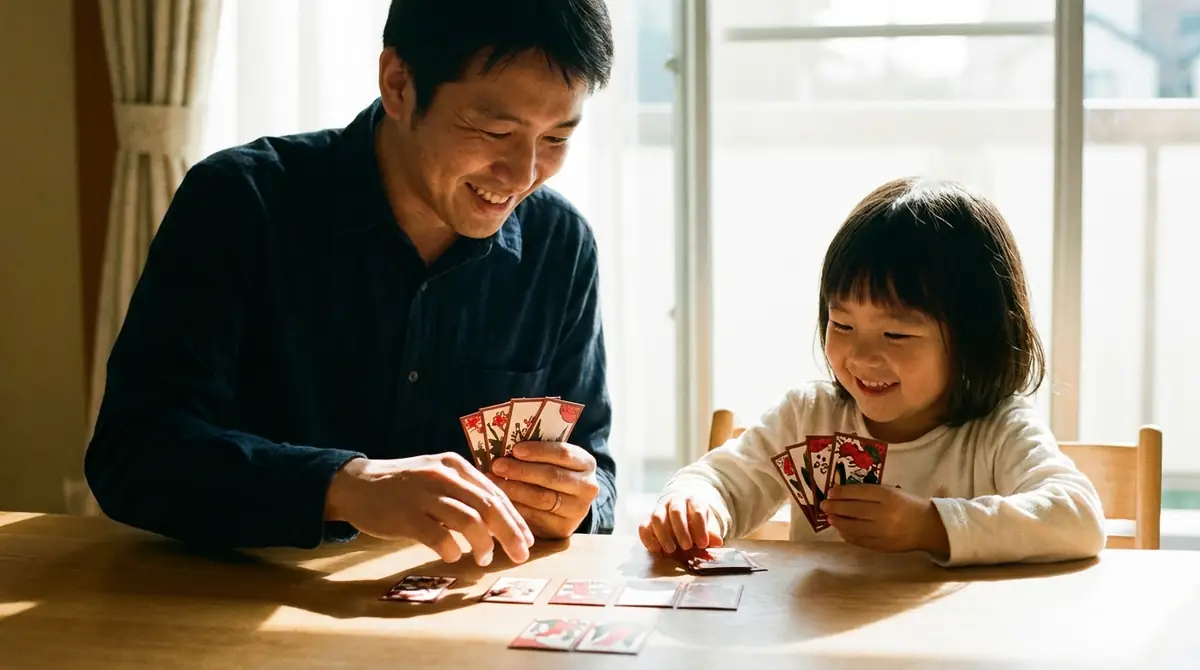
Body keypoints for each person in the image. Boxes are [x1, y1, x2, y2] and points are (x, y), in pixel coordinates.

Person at [84, 0, 618, 568]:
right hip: (239, 616)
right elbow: (132, 453)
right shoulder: (241, 204)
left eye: (556, 139)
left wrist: (575, 501)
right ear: (398, 84)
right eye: (494, 130)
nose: (522, 174)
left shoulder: (559, 246)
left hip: (466, 626)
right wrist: (342, 486)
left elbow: (597, 476)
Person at [640, 177, 1107, 567]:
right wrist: (694, 504)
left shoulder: (998, 431)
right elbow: (720, 480)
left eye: (897, 335)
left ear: (974, 337)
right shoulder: (808, 416)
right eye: (842, 324)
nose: (861, 357)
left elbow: (1080, 518)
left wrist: (930, 525)